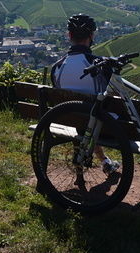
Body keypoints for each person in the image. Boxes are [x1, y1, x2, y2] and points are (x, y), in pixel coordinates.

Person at [50, 13, 120, 175]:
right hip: (107, 127)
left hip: (72, 122)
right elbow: (117, 94)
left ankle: (104, 161)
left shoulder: (56, 68)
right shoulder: (99, 64)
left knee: (87, 117)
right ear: (91, 36)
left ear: (69, 36)